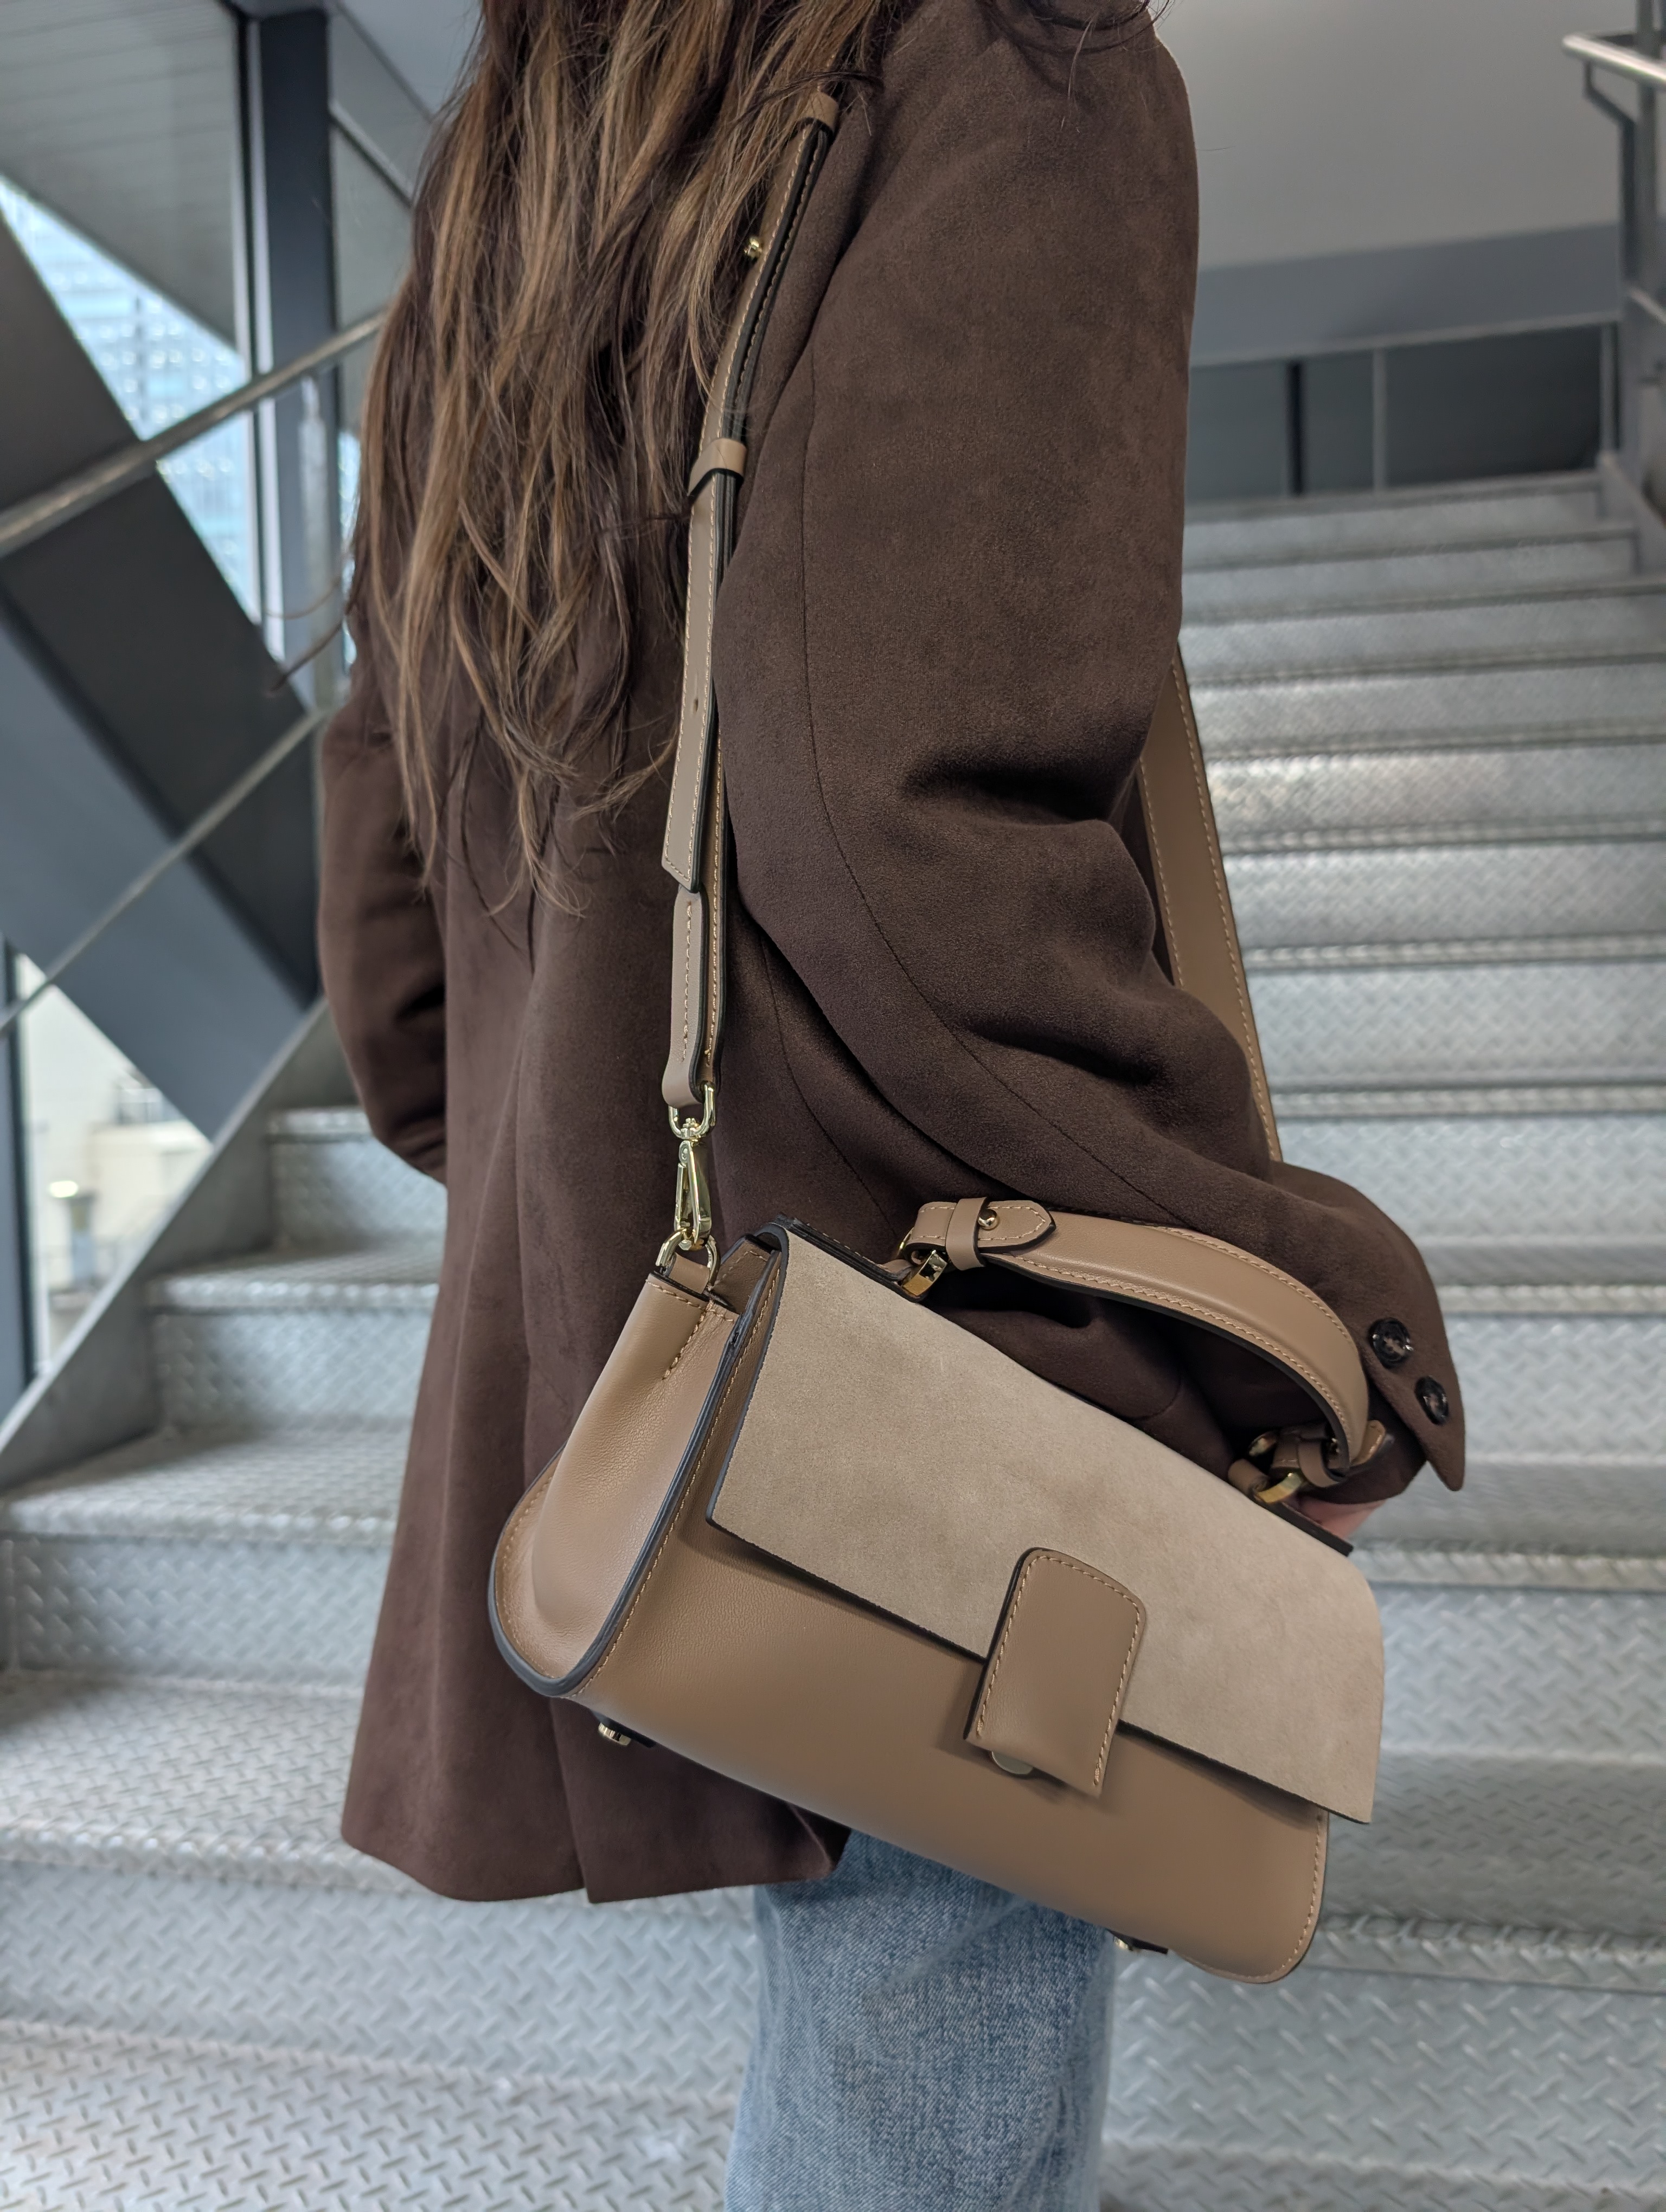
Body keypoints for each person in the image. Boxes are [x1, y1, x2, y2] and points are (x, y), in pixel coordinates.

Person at [319, 2, 1464, 2204]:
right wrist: (1275, 1293)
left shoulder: (529, 141)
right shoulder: (1004, 60)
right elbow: (902, 824)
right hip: (923, 1321)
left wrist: (547, 1186)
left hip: (661, 1312)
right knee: (920, 2042)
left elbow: (386, 839)